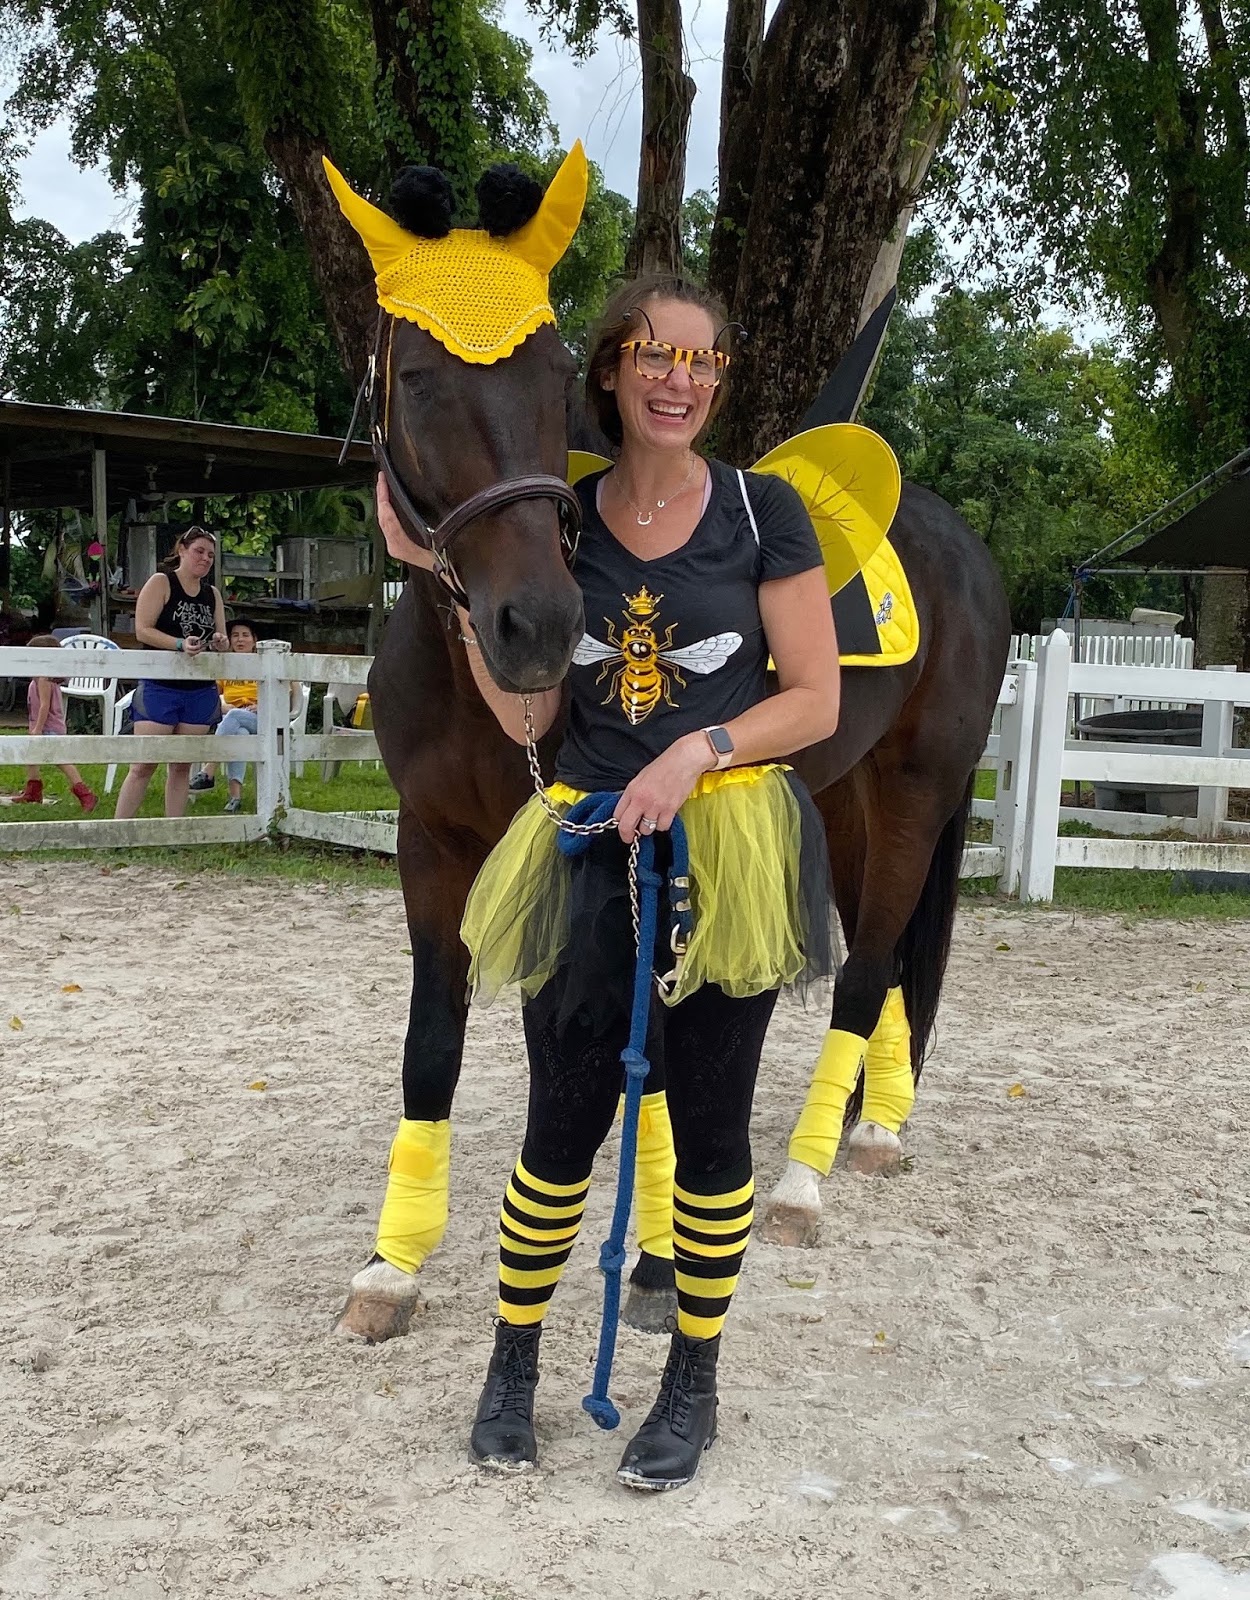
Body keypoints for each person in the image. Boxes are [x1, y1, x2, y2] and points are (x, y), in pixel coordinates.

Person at [376, 274, 841, 1490]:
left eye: (701, 361)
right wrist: (441, 577)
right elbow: (531, 707)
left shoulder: (763, 511)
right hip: (586, 844)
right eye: (652, 355)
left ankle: (691, 1383)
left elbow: (813, 696)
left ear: (717, 382)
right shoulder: (561, 518)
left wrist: (698, 750)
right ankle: (511, 1366)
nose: (677, 379)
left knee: (710, 1132)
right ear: (609, 372)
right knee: (556, 1130)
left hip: (725, 855)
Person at [114, 527, 227, 820]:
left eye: (210, 555)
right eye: (199, 551)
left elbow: (221, 635)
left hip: (200, 687)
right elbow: (143, 629)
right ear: (182, 551)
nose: (205, 559)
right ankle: (118, 828)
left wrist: (218, 642)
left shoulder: (212, 594)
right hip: (161, 684)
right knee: (144, 764)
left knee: (181, 765)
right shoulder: (162, 582)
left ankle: (174, 829)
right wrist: (179, 644)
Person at [10, 635, 97, 811]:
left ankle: (85, 792)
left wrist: (38, 729)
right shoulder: (40, 677)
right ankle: (33, 791)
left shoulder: (43, 679)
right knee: (31, 756)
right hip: (39, 724)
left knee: (60, 759)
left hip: (48, 727)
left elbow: (44, 705)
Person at [189, 617, 259, 813]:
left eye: (245, 635)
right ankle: (235, 798)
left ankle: (208, 771)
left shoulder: (264, 664)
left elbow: (284, 694)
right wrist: (226, 707)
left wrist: (262, 705)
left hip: (264, 718)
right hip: (235, 719)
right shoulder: (227, 667)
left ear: (254, 640)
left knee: (235, 717)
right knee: (240, 735)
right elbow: (213, 696)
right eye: (235, 636)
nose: (240, 640)